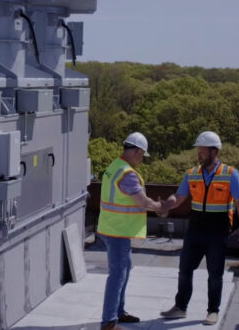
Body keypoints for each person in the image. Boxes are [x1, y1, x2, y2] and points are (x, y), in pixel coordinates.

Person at [159, 131, 239, 326]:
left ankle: (212, 311)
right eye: (198, 151)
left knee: (214, 273)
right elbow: (179, 196)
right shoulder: (191, 174)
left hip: (217, 230)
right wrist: (166, 205)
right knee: (184, 269)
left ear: (214, 151)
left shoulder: (230, 173)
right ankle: (180, 307)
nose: (198, 154)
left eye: (202, 151)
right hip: (195, 228)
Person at [97, 132, 166, 330]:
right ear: (136, 151)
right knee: (118, 274)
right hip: (117, 230)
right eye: (142, 155)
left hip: (115, 228)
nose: (142, 159)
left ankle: (118, 312)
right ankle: (109, 322)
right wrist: (159, 207)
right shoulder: (126, 174)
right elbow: (142, 202)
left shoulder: (115, 166)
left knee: (124, 270)